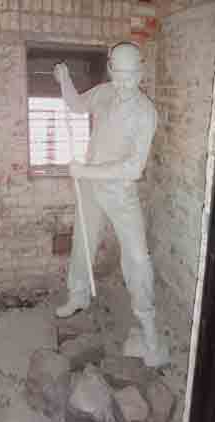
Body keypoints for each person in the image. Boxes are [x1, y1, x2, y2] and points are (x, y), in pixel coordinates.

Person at [53, 42, 169, 368]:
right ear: (110, 69)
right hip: (90, 188)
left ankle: (147, 327)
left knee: (137, 257)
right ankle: (77, 294)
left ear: (141, 73)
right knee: (83, 241)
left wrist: (84, 170)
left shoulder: (146, 114)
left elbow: (133, 168)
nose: (124, 84)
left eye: (131, 77)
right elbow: (76, 106)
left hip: (120, 192)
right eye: (119, 76)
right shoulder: (104, 92)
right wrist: (64, 80)